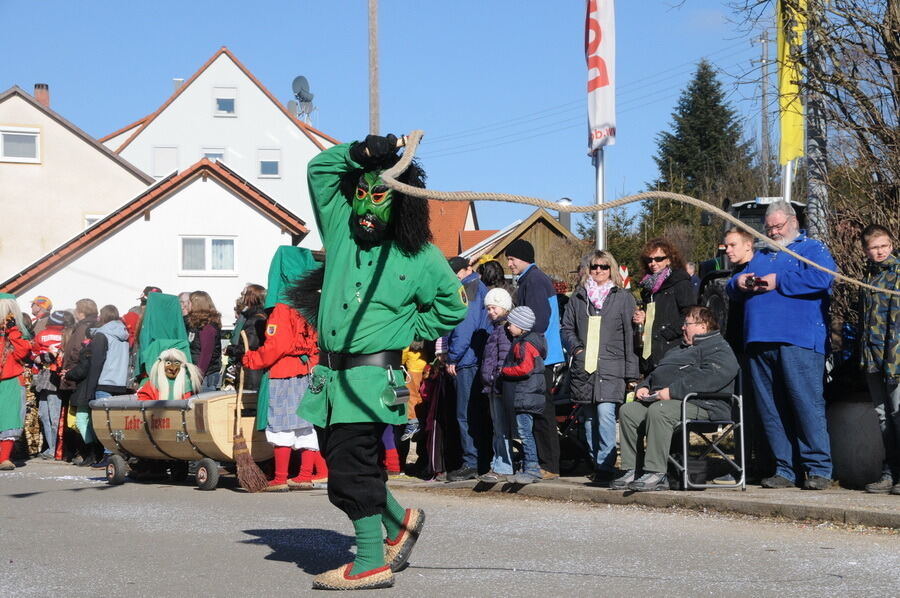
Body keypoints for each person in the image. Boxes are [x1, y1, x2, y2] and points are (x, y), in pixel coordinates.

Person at [296, 133, 467, 590]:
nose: (369, 207)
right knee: (346, 462)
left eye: (382, 196)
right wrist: (362, 154)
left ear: (402, 203)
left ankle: (370, 560)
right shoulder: (338, 228)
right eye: (363, 193)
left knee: (353, 466)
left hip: (374, 377)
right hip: (330, 378)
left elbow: (453, 308)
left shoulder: (422, 256)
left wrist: (407, 329)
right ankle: (399, 521)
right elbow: (318, 172)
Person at [727, 200, 836, 490]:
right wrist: (739, 283)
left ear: (793, 222)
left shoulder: (812, 248)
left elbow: (824, 277)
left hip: (798, 339)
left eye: (778, 226)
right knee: (770, 408)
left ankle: (818, 469)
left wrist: (780, 281)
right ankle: (784, 469)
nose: (773, 232)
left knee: (804, 403)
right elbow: (732, 284)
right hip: (759, 340)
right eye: (769, 227)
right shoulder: (760, 254)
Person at [612, 306, 740, 492]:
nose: (682, 328)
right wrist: (644, 386)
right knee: (629, 411)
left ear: (703, 326)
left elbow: (712, 376)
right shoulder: (678, 349)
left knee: (660, 410)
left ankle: (657, 473)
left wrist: (672, 392)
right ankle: (633, 469)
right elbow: (659, 373)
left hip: (705, 405)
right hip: (670, 401)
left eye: (686, 324)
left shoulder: (718, 348)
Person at [239, 246, 325, 492]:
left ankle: (280, 476)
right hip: (310, 370)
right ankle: (305, 474)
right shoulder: (313, 305)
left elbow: (278, 345)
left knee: (282, 424)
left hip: (285, 373)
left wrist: (252, 360)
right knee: (306, 425)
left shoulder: (281, 309)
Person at [562, 250, 638, 485]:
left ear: (611, 269)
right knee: (588, 420)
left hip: (612, 366)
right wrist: (577, 351)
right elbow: (566, 329)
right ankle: (597, 463)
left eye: (603, 267)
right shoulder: (578, 298)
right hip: (585, 368)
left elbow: (630, 336)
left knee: (606, 415)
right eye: (594, 266)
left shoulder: (623, 297)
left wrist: (631, 373)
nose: (598, 271)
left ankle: (606, 466)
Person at [505, 238, 564, 479]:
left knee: (542, 413)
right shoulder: (531, 279)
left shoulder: (535, 281)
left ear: (524, 258)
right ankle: (543, 463)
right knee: (538, 410)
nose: (509, 264)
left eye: (512, 259)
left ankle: (549, 465)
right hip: (539, 355)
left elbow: (538, 320)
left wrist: (523, 342)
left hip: (541, 357)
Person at [857, 224, 900, 495]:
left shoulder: (897, 273)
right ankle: (890, 470)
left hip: (895, 356)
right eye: (874, 247)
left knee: (898, 414)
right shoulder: (869, 276)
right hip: (872, 356)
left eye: (884, 245)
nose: (880, 251)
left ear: (892, 244)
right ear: (865, 251)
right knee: (883, 415)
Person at [445, 255, 490, 481]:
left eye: (456, 273)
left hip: (468, 360)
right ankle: (479, 460)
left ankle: (471, 462)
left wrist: (452, 357)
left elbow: (464, 328)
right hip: (475, 357)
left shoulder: (469, 290)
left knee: (465, 414)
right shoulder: (477, 286)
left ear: (465, 270)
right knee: (476, 413)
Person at [632, 238, 696, 374]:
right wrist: (643, 317)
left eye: (659, 259)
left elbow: (690, 313)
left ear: (669, 259)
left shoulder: (680, 282)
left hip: (671, 351)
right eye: (649, 260)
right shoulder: (648, 287)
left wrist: (666, 333)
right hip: (650, 353)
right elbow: (657, 314)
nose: (653, 263)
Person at [500, 306, 547, 485]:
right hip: (531, 394)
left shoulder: (525, 344)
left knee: (525, 433)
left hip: (525, 394)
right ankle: (529, 466)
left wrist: (505, 370)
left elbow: (525, 369)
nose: (508, 327)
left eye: (511, 324)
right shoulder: (535, 341)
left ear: (521, 326)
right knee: (527, 432)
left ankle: (532, 468)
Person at [477, 287, 516, 482]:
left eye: (494, 308)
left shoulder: (503, 330)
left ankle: (503, 466)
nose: (490, 312)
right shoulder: (498, 328)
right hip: (492, 385)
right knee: (498, 427)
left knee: (501, 427)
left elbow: (503, 357)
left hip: (497, 385)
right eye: (489, 309)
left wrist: (496, 379)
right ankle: (499, 463)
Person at [58, 299, 99, 464]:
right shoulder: (91, 325)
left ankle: (86, 452)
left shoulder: (83, 327)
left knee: (78, 418)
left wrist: (68, 372)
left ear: (81, 310)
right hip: (79, 376)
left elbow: (77, 352)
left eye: (77, 309)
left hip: (77, 378)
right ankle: (86, 453)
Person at [0, 295, 32, 471]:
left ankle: (4, 457)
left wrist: (13, 332)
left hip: (11, 379)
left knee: (10, 417)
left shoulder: (18, 332)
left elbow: (22, 353)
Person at [30, 310, 67, 460]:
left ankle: (54, 449)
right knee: (50, 415)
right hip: (54, 376)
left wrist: (39, 360)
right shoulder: (65, 335)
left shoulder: (41, 334)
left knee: (47, 415)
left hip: (45, 376)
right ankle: (52, 448)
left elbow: (34, 355)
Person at [224, 284, 267, 391]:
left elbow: (249, 348)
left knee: (249, 405)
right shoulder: (252, 317)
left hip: (252, 374)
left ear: (251, 297)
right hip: (251, 371)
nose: (241, 296)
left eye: (244, 293)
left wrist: (229, 349)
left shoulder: (255, 320)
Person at [185, 291, 223, 392]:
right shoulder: (197, 325)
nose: (186, 305)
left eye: (189, 302)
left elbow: (206, 354)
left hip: (205, 377)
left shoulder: (207, 327)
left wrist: (197, 376)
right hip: (198, 374)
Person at [136, 348, 202, 401]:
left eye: (176, 363)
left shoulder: (189, 384)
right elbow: (143, 403)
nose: (172, 368)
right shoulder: (152, 385)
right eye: (168, 363)